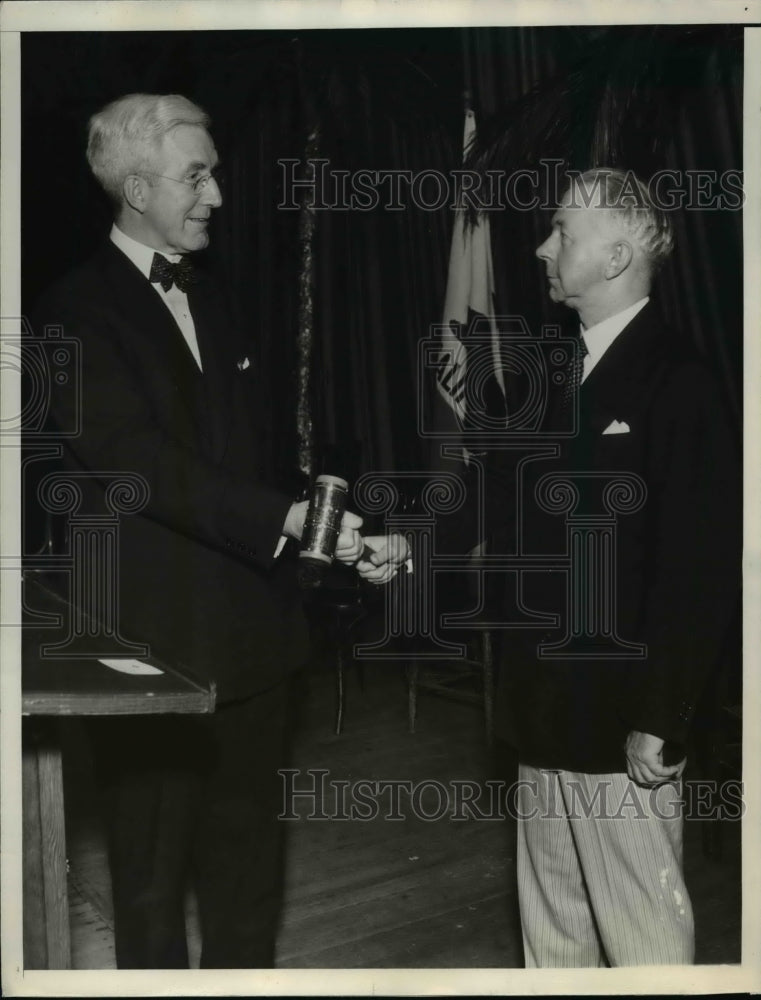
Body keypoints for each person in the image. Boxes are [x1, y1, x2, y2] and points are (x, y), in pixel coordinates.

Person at [32, 92, 372, 969]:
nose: (217, 193)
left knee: (247, 883)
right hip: (152, 657)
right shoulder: (71, 312)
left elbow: (249, 463)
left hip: (254, 647)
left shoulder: (217, 298)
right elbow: (139, 462)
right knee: (148, 899)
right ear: (137, 189)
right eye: (198, 175)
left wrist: (340, 529)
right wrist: (284, 518)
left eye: (214, 172)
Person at [494, 167, 740, 966]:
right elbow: (499, 508)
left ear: (616, 256)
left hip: (619, 728)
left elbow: (697, 569)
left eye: (562, 231)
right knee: (553, 932)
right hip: (541, 713)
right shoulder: (555, 372)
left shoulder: (681, 381)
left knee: (642, 940)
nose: (542, 247)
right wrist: (401, 542)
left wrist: (661, 718)